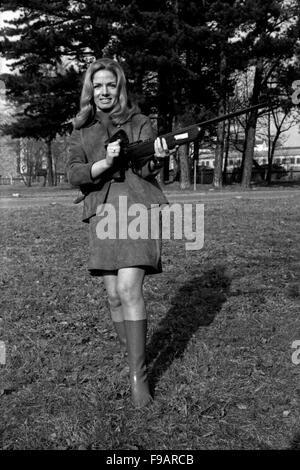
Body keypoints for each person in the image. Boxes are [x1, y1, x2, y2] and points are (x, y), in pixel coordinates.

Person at [68, 58, 169, 408]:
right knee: (113, 296)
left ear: (120, 87)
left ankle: (138, 377)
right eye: (97, 86)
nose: (104, 91)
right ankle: (133, 356)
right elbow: (75, 174)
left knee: (128, 288)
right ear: (90, 90)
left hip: (138, 208)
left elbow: (146, 165)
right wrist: (106, 163)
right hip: (102, 212)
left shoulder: (140, 123)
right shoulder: (81, 129)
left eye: (111, 84)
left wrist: (158, 157)